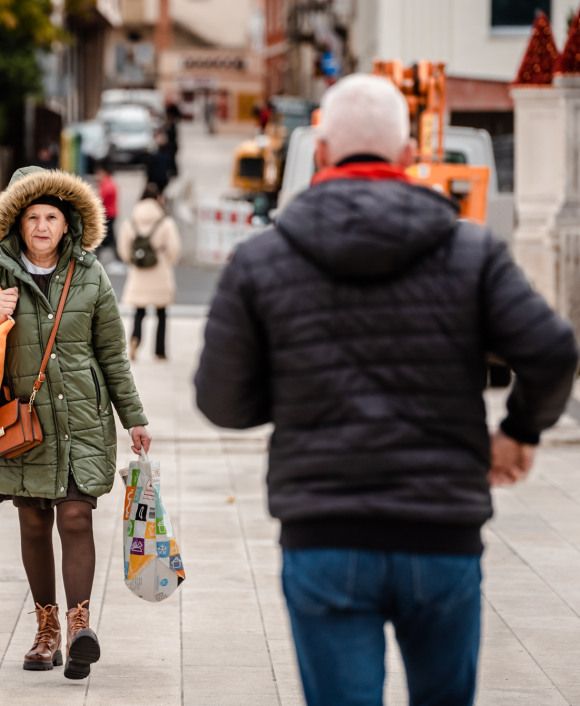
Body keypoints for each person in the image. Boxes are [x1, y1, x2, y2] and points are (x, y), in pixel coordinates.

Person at [194, 73, 579, 706]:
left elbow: (220, 401)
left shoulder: (263, 260)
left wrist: (294, 399)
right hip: (442, 531)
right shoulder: (471, 251)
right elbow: (554, 349)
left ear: (320, 154)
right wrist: (518, 432)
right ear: (408, 156)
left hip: (324, 530)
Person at [0, 165, 152, 680]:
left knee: (76, 516)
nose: (41, 227)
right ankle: (46, 628)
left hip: (82, 418)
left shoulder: (90, 274)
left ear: (67, 222)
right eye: (32, 216)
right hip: (23, 422)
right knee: (34, 520)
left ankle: (80, 627)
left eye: (51, 217)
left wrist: (134, 418)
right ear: (17, 221)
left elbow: (112, 354)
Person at [117, 183, 180, 361]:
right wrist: (167, 260)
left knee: (139, 311)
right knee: (161, 313)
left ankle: (135, 339)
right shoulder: (165, 222)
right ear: (158, 198)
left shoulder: (131, 221)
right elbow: (174, 249)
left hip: (139, 271)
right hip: (159, 269)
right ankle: (160, 351)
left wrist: (133, 260)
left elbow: (123, 248)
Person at [95, 160, 123, 268]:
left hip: (108, 214)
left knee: (105, 237)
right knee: (108, 237)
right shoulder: (110, 182)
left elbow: (101, 200)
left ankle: (98, 256)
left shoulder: (106, 184)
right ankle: (116, 257)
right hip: (111, 213)